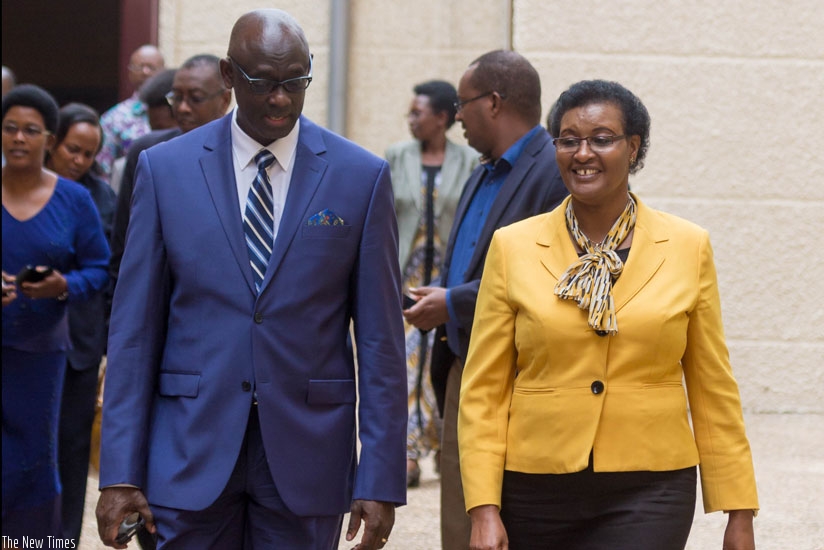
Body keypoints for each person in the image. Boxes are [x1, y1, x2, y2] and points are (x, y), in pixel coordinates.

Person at [96, 9, 406, 549]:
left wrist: (380, 477)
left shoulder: (361, 177)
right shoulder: (165, 169)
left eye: (296, 82)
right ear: (229, 75)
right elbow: (134, 332)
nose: (281, 98)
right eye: (264, 82)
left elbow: (381, 343)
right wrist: (121, 472)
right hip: (188, 449)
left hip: (308, 456)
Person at [458, 79, 759, 550]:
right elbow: (484, 391)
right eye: (568, 139)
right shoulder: (512, 246)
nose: (583, 153)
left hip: (651, 487)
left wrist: (739, 510)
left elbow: (712, 385)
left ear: (633, 148)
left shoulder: (686, 246)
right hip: (534, 486)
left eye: (602, 139)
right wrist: (482, 508)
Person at [403, 50, 568, 549]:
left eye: (462, 103)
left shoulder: (555, 172)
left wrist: (452, 302)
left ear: (494, 103)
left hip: (519, 374)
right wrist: (445, 298)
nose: (456, 116)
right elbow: (480, 266)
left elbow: (550, 272)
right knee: (462, 514)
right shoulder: (481, 171)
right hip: (462, 363)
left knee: (510, 514)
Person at [2, 85, 110, 540]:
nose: (19, 139)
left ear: (48, 138)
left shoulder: (74, 200)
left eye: (30, 130)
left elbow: (100, 268)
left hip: (41, 353)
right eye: (10, 128)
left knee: (34, 460)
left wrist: (62, 285)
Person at [385, 79, 478, 488]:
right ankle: (406, 454)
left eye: (418, 112)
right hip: (406, 277)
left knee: (439, 363)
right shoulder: (396, 156)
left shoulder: (469, 160)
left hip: (449, 278)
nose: (411, 119)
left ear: (442, 118)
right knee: (406, 366)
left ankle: (443, 446)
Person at [43, 102, 116, 544]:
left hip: (81, 344)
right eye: (73, 149)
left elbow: (109, 274)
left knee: (72, 449)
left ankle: (64, 538)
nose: (79, 161)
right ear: (53, 143)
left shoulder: (102, 198)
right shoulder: (22, 187)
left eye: (89, 154)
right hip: (27, 337)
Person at [109, 53, 232, 287]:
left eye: (195, 98)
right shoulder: (148, 152)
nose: (183, 108)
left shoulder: (240, 156)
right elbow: (124, 244)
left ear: (224, 100)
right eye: (176, 98)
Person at [96, 45, 165, 180]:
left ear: (163, 71)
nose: (145, 72)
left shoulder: (178, 111)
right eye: (139, 67)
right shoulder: (114, 118)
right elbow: (103, 169)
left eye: (151, 67)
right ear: (129, 72)